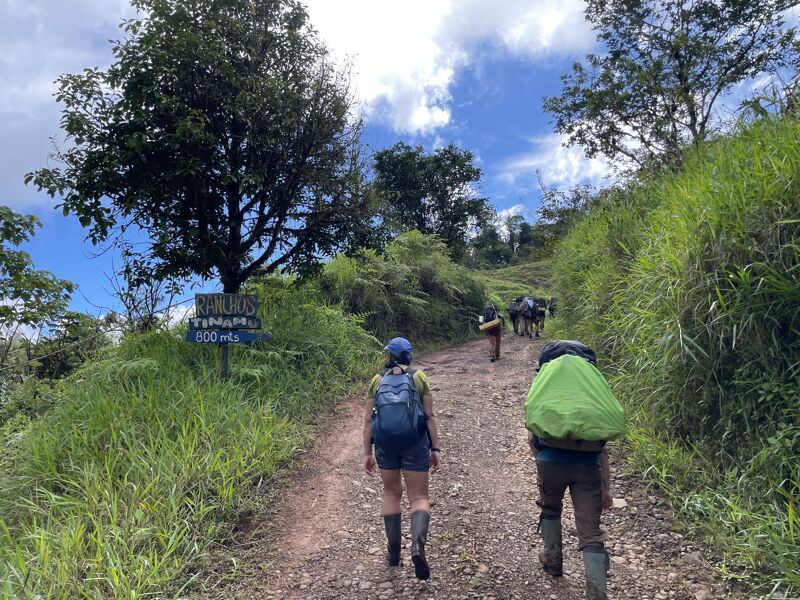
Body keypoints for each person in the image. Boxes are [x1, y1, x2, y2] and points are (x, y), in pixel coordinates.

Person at [527, 342, 615, 600]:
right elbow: (602, 448)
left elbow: (532, 437)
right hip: (588, 466)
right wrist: (605, 488)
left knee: (551, 509)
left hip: (550, 461)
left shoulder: (545, 384)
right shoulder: (593, 389)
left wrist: (542, 461)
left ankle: (553, 561)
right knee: (591, 531)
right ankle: (596, 592)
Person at [363, 337, 442, 580]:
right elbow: (428, 416)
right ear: (409, 355)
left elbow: (368, 420)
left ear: (389, 356)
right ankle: (417, 548)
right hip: (414, 442)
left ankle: (394, 553)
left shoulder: (377, 380)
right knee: (418, 497)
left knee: (390, 493)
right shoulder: (419, 378)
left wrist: (367, 453)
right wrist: (435, 448)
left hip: (386, 444)